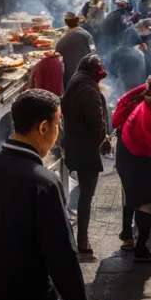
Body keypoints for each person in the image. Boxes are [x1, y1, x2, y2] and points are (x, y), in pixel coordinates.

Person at [0, 89, 87, 300]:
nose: (59, 132)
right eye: (57, 125)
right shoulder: (45, 183)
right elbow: (63, 258)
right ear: (43, 127)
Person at [112, 75, 151, 262]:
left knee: (131, 195)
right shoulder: (150, 112)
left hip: (126, 152)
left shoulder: (140, 95)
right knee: (150, 202)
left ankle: (127, 235)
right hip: (137, 156)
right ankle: (141, 248)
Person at [60, 55, 108, 254]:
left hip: (72, 145)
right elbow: (97, 123)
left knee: (79, 191)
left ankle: (70, 233)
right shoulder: (88, 90)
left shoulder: (75, 80)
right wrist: (101, 141)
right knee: (86, 194)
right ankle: (82, 239)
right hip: (85, 148)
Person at [56, 12, 96, 89]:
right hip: (85, 76)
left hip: (68, 77)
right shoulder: (88, 35)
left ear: (66, 23)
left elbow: (57, 54)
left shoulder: (62, 40)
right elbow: (93, 52)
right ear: (77, 21)